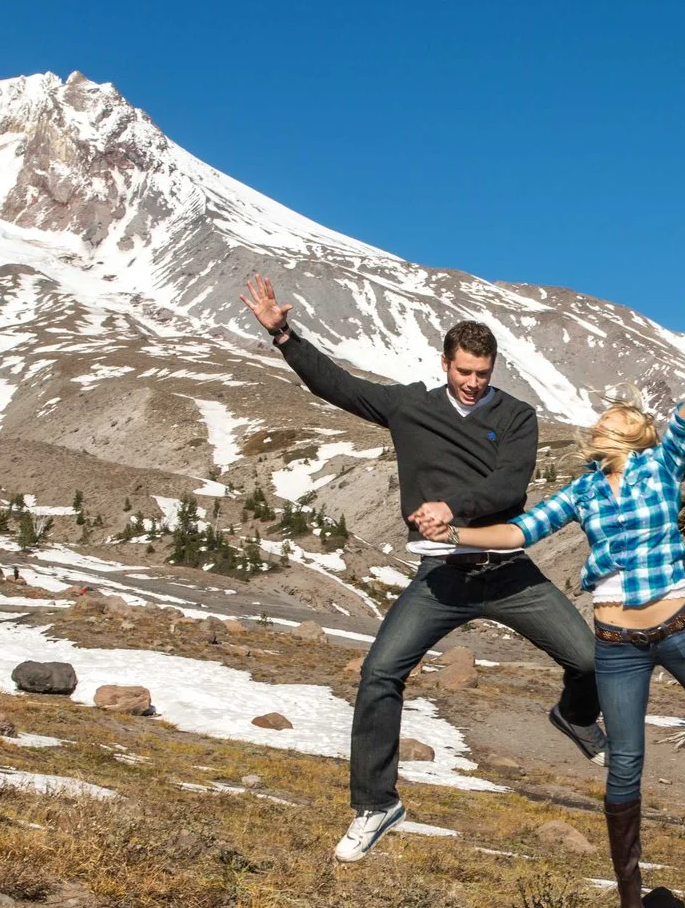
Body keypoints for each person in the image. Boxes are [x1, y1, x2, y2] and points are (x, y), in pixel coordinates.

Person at [240, 274, 606, 862]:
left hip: (506, 570)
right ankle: (376, 804)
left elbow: (509, 485)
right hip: (441, 579)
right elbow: (338, 385)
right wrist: (284, 336)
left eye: (483, 373)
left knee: (588, 661)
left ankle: (573, 714)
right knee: (379, 674)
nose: (473, 383)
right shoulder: (410, 406)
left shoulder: (517, 416)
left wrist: (452, 508)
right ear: (445, 364)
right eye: (464, 371)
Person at [449, 274, 685, 908]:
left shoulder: (662, 466)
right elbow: (520, 532)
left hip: (680, 627)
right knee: (624, 763)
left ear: (633, 434)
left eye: (611, 419)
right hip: (618, 646)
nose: (598, 423)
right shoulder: (583, 491)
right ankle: (629, 892)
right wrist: (455, 534)